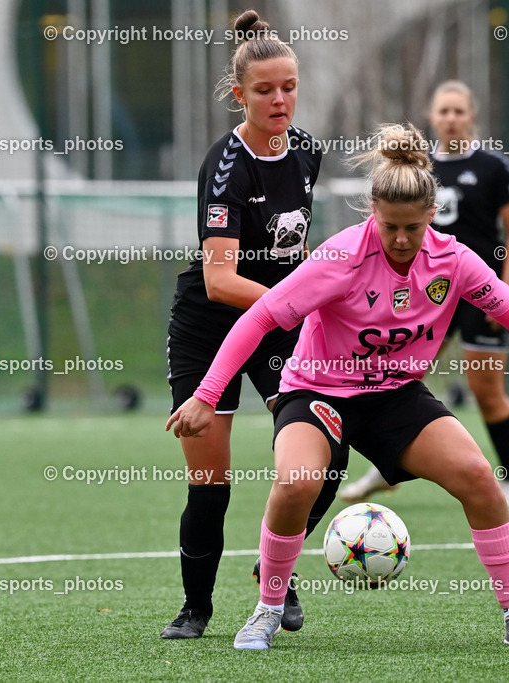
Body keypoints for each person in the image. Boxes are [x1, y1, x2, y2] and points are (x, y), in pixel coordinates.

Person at [167, 123, 509, 651]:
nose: (400, 240)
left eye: (411, 228)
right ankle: (266, 609)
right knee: (296, 482)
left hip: (395, 395)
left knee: (476, 475)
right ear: (372, 212)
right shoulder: (340, 257)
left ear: (431, 217)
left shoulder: (454, 259)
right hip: (318, 393)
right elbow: (259, 317)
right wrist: (207, 395)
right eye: (390, 227)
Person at [161, 9, 342, 640]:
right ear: (240, 95)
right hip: (209, 326)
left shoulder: (310, 153)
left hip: (277, 321)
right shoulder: (225, 164)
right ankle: (195, 611)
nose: (280, 99)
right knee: (210, 484)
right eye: (265, 90)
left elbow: (295, 249)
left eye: (289, 86)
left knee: (324, 459)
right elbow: (220, 280)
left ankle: (275, 567)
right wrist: (304, 300)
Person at [339, 80, 509, 508]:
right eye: (443, 111)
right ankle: (385, 468)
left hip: (479, 295)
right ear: (432, 116)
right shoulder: (419, 172)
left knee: (486, 389)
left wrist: (506, 289)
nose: (451, 118)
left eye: (459, 111)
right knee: (396, 379)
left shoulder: (493, 167)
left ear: (472, 116)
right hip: (429, 297)